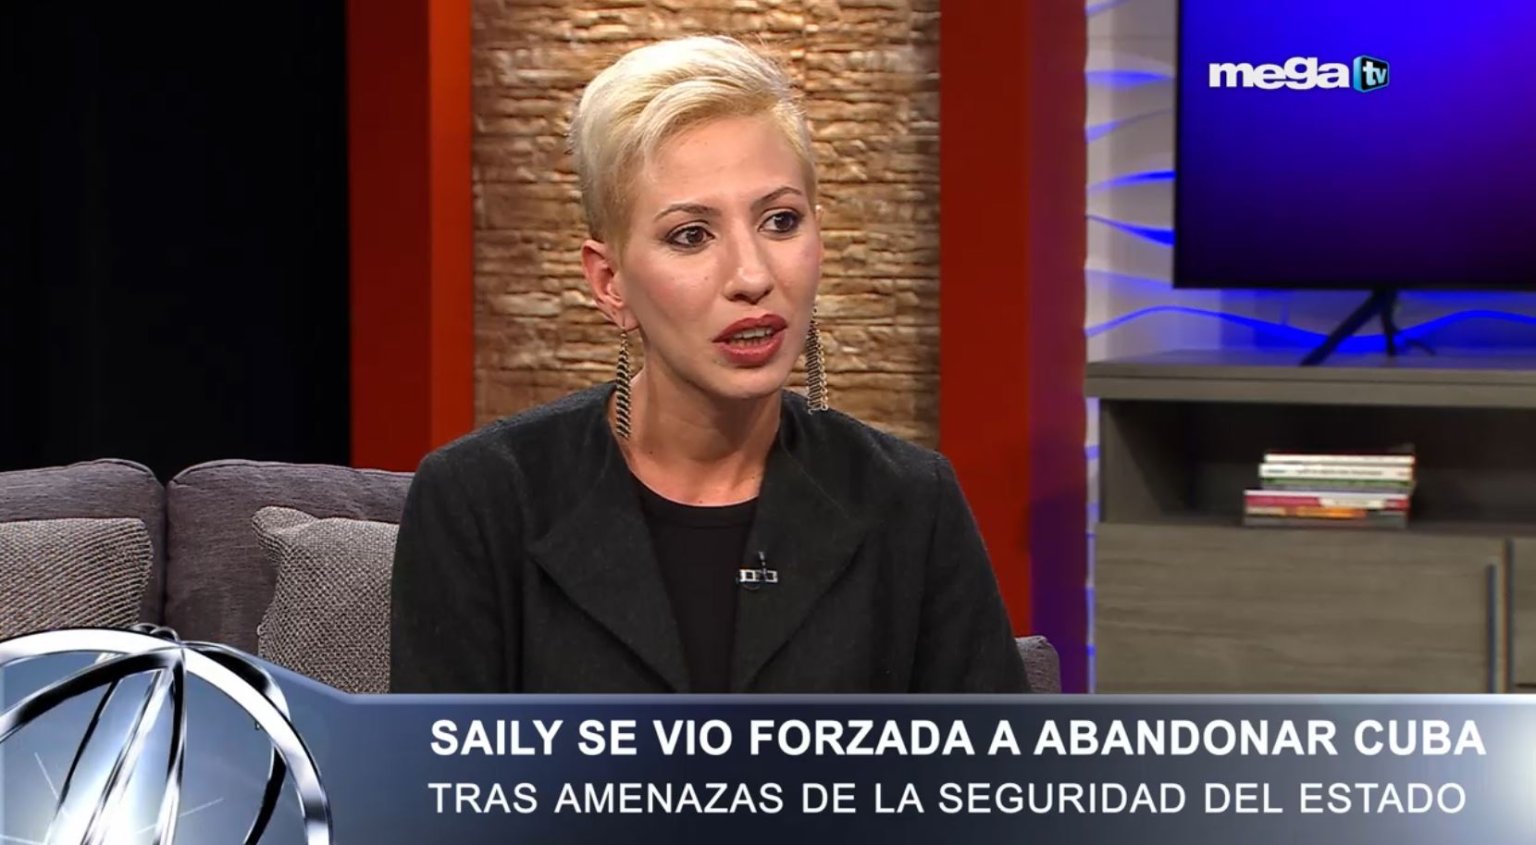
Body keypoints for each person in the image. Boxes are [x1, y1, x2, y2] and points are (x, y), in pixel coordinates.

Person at [389, 35, 1029, 694]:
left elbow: (992, 762)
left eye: (780, 221)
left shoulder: (911, 503)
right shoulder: (481, 502)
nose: (752, 276)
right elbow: (439, 764)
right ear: (610, 283)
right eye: (691, 235)